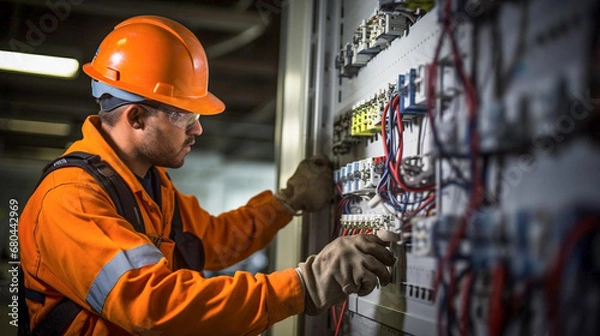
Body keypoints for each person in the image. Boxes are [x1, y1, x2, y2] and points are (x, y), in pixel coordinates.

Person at [18, 15, 395, 335]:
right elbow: (153, 307)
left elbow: (214, 239)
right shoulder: (71, 198)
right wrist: (304, 286)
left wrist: (288, 200)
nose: (197, 130)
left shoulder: (146, 186)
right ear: (136, 117)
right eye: (184, 116)